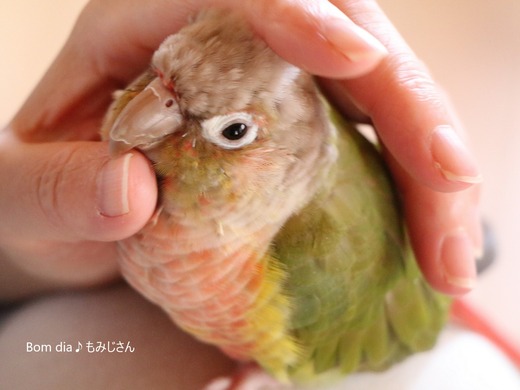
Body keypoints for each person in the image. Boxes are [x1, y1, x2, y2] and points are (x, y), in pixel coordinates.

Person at [0, 0, 485, 388]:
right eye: (154, 75)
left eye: (232, 132)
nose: (145, 114)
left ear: (276, 159)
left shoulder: (302, 254)